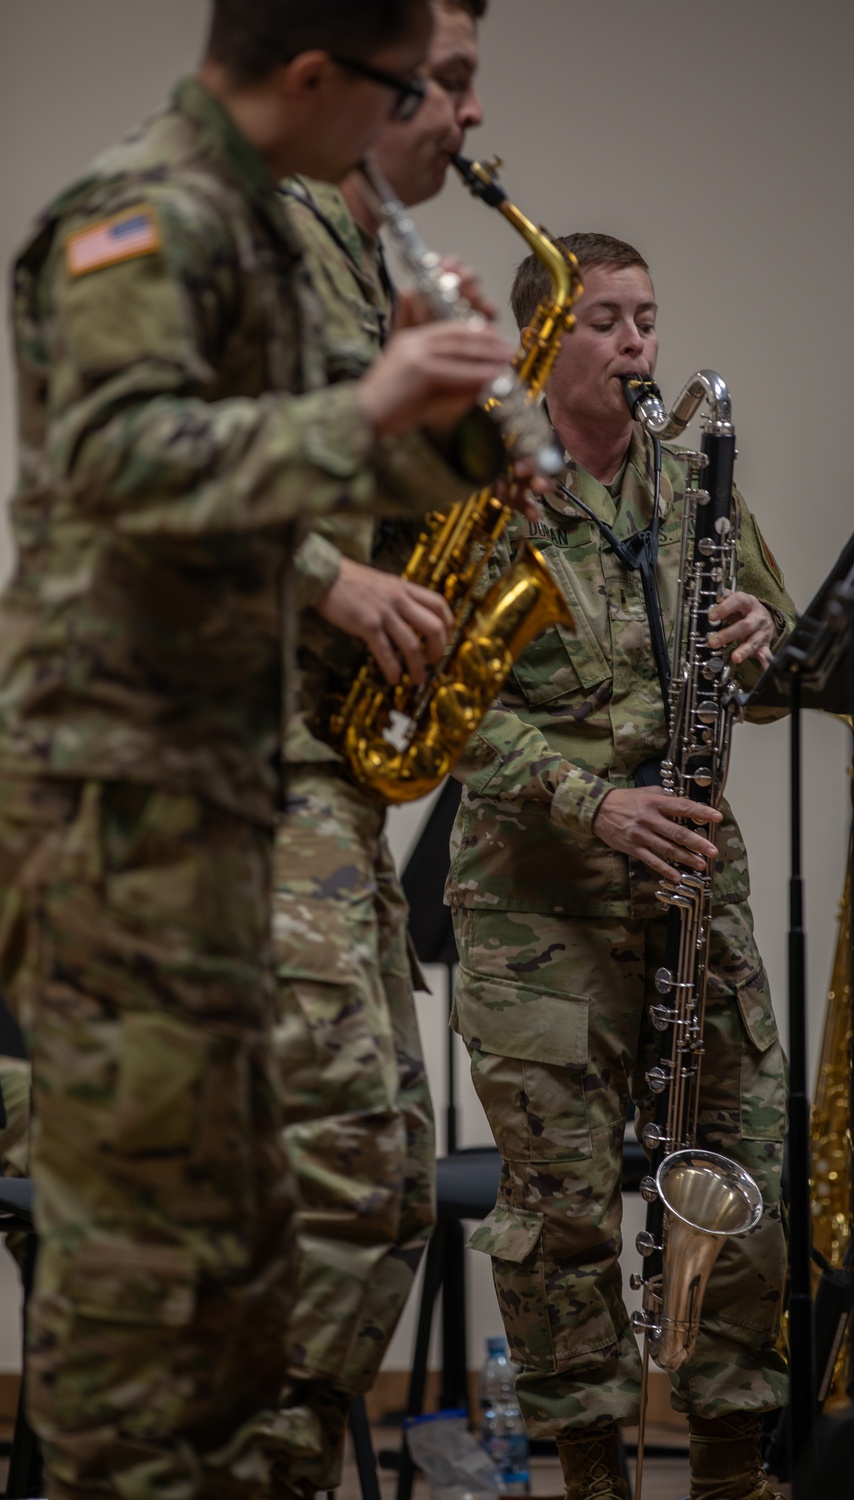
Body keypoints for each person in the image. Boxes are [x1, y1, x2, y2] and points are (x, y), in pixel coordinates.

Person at [0, 3, 522, 1497]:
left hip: (223, 783)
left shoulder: (269, 225)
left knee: (249, 1250)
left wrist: (457, 430)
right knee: (147, 1276)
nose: (425, 116)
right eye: (405, 87)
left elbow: (302, 460)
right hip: (120, 799)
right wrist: (368, 403)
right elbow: (115, 456)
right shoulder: (145, 212)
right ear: (315, 78)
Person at [447, 233, 797, 1500]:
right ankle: (588, 1475)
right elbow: (452, 706)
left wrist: (764, 638)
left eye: (648, 317)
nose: (639, 343)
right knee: (565, 1223)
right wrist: (594, 804)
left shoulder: (693, 481)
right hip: (542, 919)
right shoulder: (477, 494)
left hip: (697, 893)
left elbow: (773, 651)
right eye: (606, 319)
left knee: (742, 1173)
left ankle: (729, 1467)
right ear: (547, 339)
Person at [262, 5, 491, 1494]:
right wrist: (328, 572)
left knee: (396, 1184)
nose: (467, 120)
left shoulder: (387, 257)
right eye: (450, 83)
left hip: (330, 773)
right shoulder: (264, 229)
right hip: (236, 764)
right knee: (346, 1179)